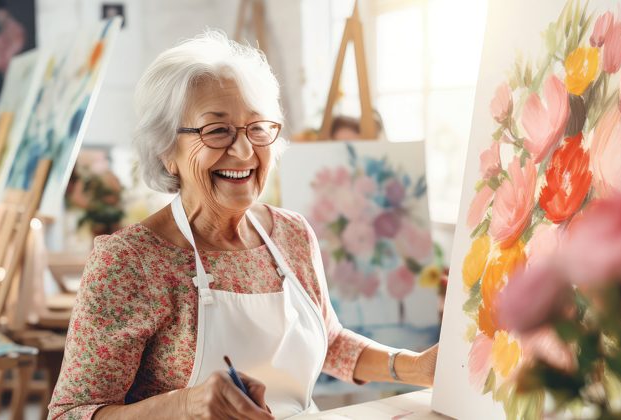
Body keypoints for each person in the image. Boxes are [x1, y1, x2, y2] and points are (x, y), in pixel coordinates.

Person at [49, 31, 437, 419]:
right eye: (217, 130)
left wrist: (415, 367)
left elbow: (329, 340)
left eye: (257, 128)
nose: (244, 150)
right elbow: (70, 413)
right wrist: (183, 404)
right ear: (168, 151)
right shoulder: (131, 261)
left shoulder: (291, 234)